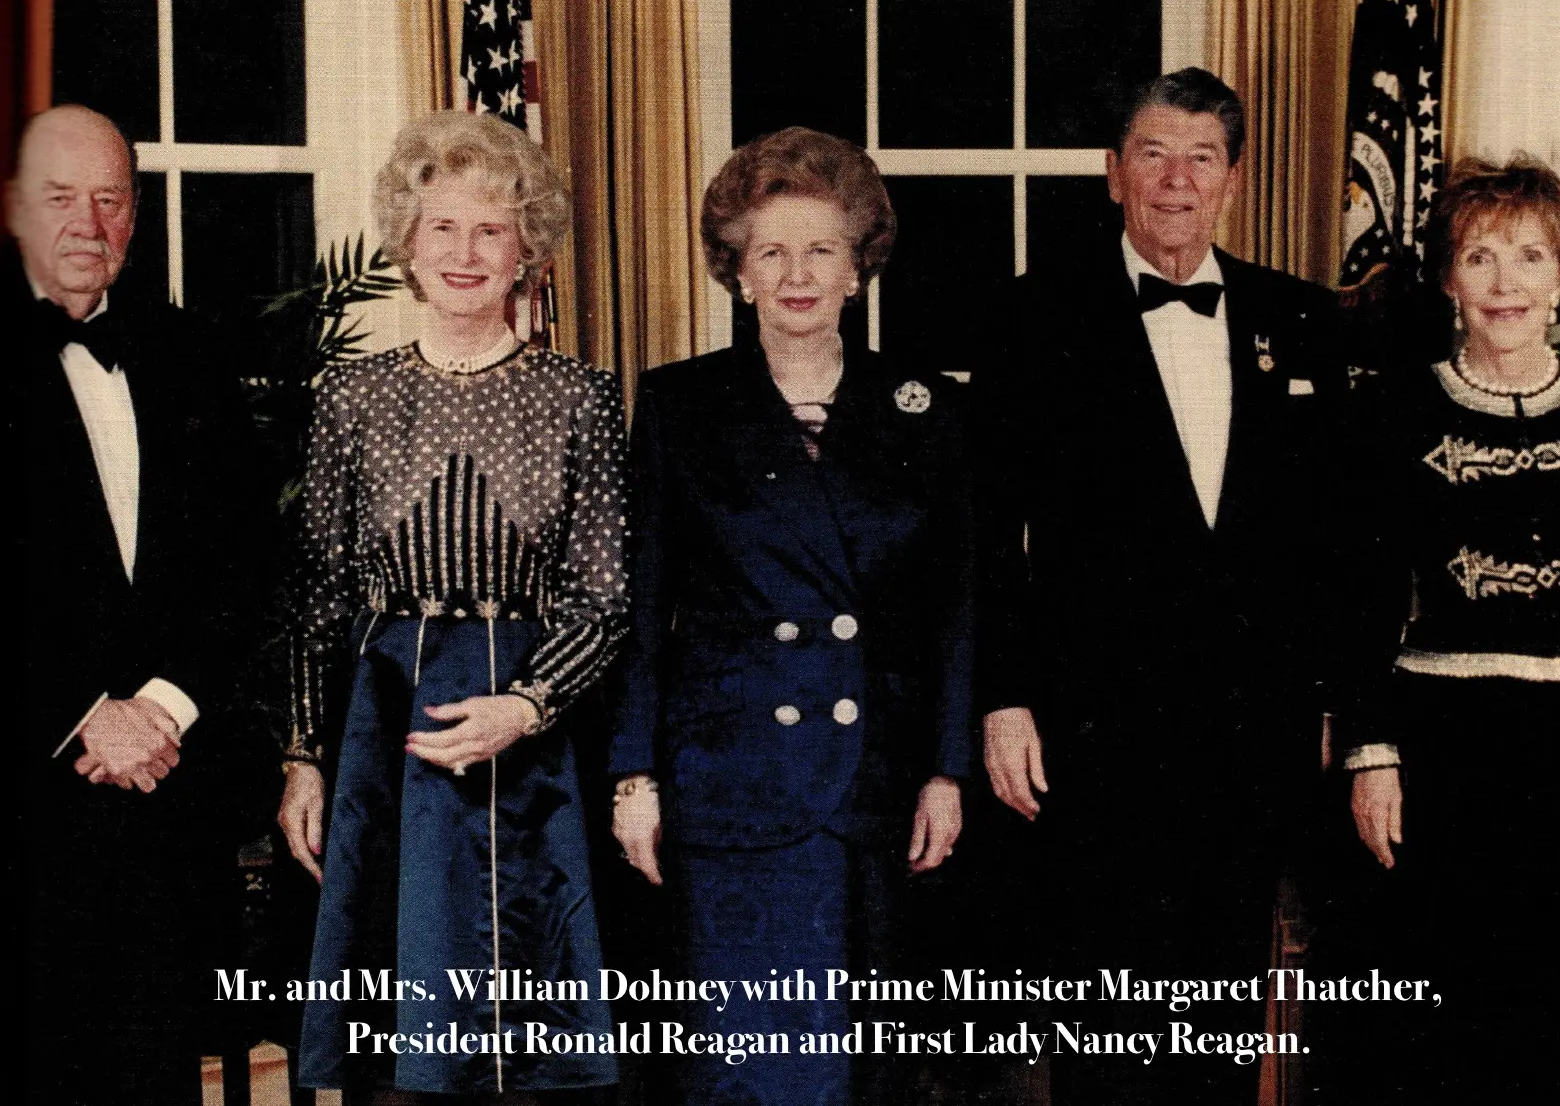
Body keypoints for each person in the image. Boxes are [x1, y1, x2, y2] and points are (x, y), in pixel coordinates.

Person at [974, 67, 1360, 1103]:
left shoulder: (1303, 320)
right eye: (1153, 154)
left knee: (1223, 1013)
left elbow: (1335, 540)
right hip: (1092, 732)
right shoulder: (1031, 315)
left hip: (1253, 731)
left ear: (1233, 178)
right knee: (1106, 1019)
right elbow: (983, 532)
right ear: (1113, 174)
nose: (1176, 181)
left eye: (1201, 158)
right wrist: (1004, 696)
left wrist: (1331, 700)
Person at [609, 125, 973, 1106]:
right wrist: (632, 771)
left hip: (877, 782)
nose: (798, 273)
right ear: (737, 271)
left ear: (860, 267)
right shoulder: (681, 405)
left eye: (821, 249)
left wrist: (946, 768)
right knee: (747, 1061)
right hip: (731, 777)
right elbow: (644, 605)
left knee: (872, 1068)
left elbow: (953, 608)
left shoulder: (925, 408)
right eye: (771, 249)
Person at [276, 111, 626, 1101]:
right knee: (402, 1051)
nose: (465, 252)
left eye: (492, 229)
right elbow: (320, 597)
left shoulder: (581, 398)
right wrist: (303, 757)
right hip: (391, 736)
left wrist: (526, 705)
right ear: (406, 243)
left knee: (536, 1042)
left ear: (529, 250)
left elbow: (603, 601)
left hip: (537, 743)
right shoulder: (350, 396)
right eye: (443, 227)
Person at [1322, 155, 1560, 1103]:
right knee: (1451, 1009)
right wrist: (1372, 752)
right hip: (1447, 746)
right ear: (1447, 280)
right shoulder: (1388, 415)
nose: (1505, 283)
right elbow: (1354, 599)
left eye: (1528, 256)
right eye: (1480, 257)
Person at [10, 104, 274, 1104]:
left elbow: (243, 558)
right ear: (14, 209)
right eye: (61, 197)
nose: (89, 221)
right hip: (31, 805)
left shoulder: (185, 352)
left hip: (165, 811)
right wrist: (85, 711)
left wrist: (163, 704)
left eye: (111, 198)